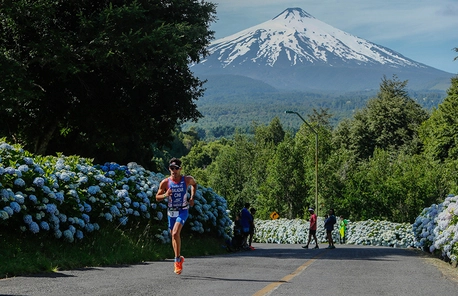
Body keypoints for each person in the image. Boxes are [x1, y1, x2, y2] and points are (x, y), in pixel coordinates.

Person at [156, 157, 197, 274]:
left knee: (175, 233)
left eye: (176, 168)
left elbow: (194, 185)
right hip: (171, 212)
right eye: (171, 168)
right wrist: (165, 195)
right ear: (169, 169)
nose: (174, 170)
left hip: (183, 210)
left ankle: (177, 260)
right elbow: (157, 197)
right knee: (173, 236)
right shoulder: (165, 182)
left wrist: (192, 197)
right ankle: (179, 257)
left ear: (180, 169)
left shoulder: (187, 179)